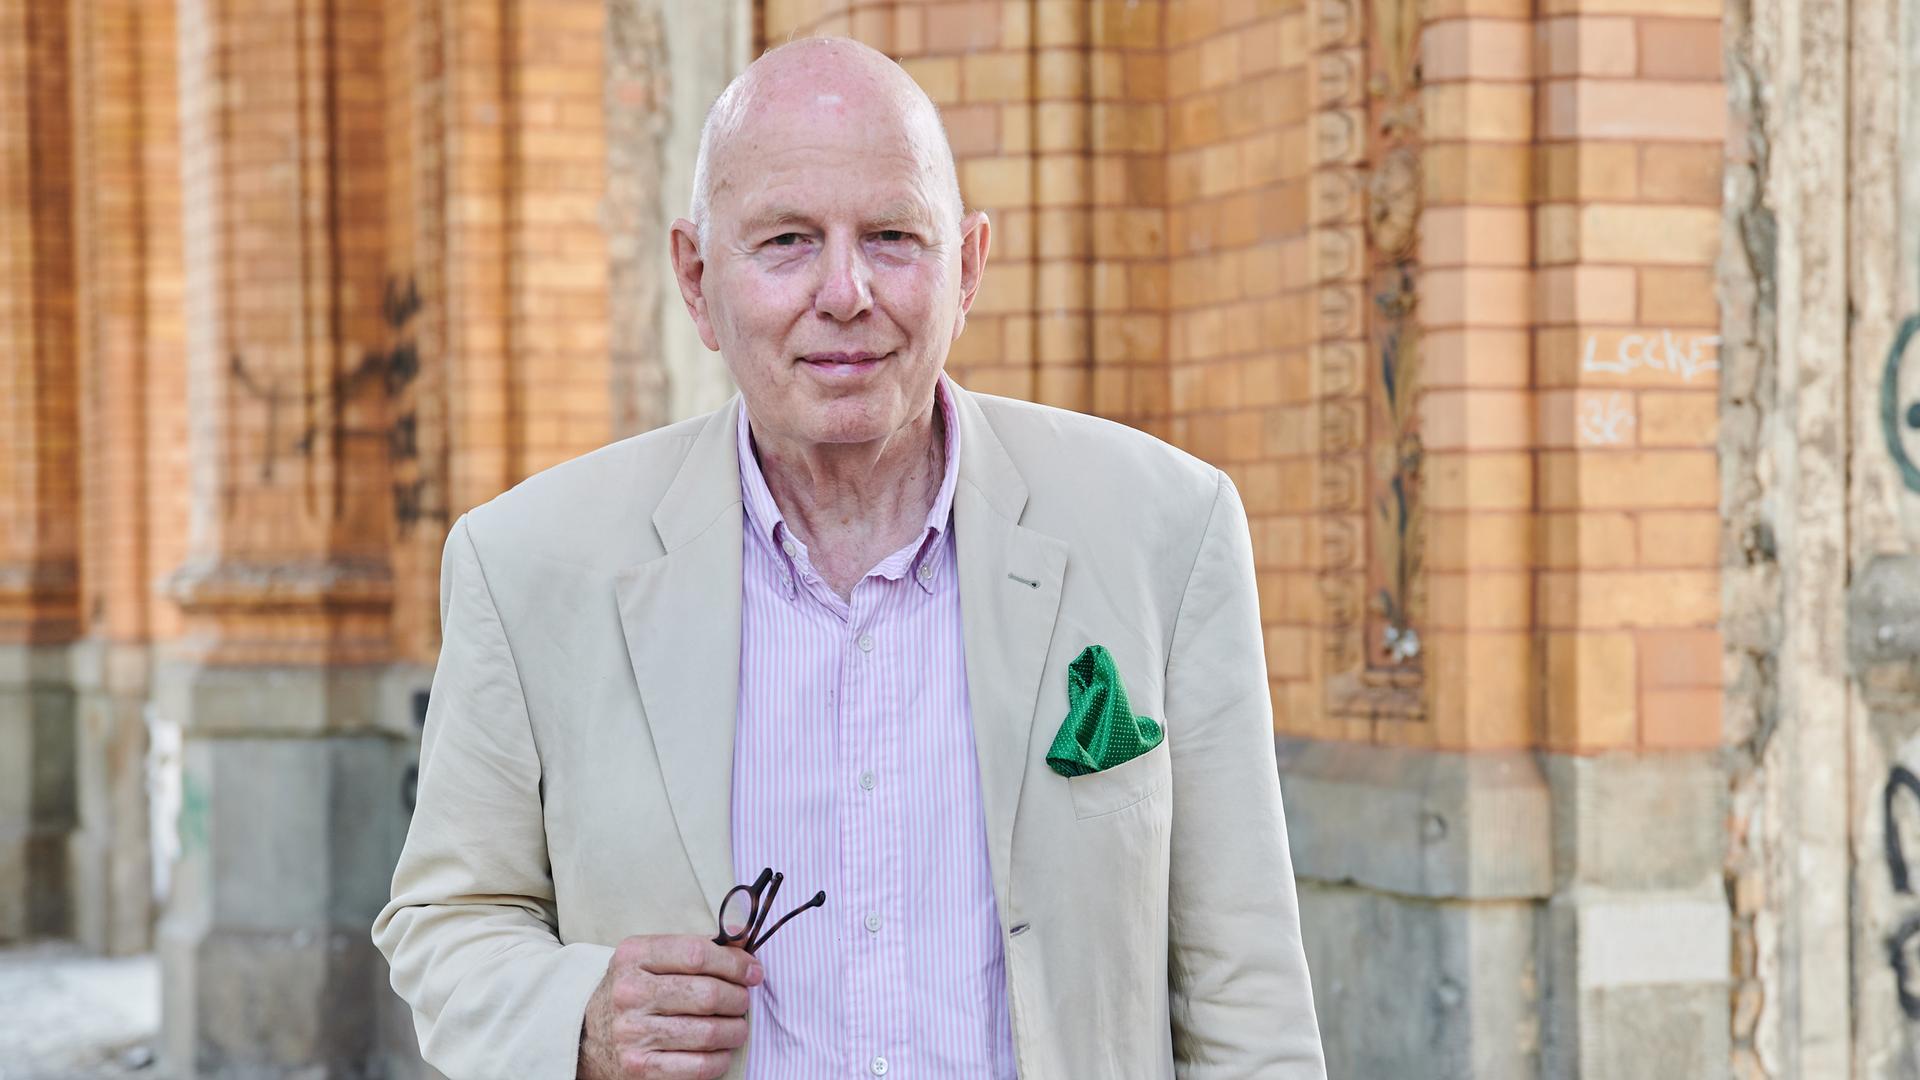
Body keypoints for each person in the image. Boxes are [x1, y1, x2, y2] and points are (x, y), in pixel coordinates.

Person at [373, 35, 1325, 1080]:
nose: (845, 291)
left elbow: (1246, 992)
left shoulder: (1163, 530)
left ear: (967, 267)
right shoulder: (527, 565)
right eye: (785, 241)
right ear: (696, 280)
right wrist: (585, 1017)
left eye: (892, 236)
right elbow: (447, 921)